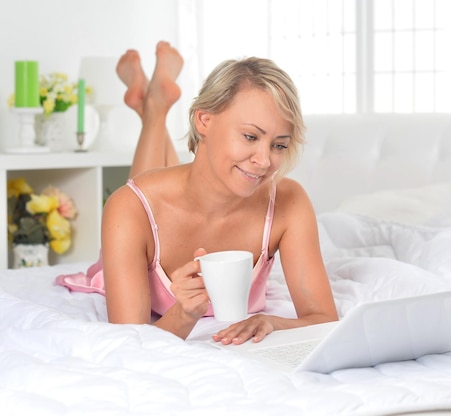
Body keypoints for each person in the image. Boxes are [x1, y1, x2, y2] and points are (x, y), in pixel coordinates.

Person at [56, 41, 338, 343]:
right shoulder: (130, 208)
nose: (264, 160)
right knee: (143, 200)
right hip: (146, 212)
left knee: (181, 183)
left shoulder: (288, 202)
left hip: (185, 187)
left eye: (279, 144)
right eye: (250, 136)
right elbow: (130, 343)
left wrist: (270, 322)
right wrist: (184, 314)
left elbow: (323, 319)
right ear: (204, 120)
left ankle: (154, 105)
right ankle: (154, 107)